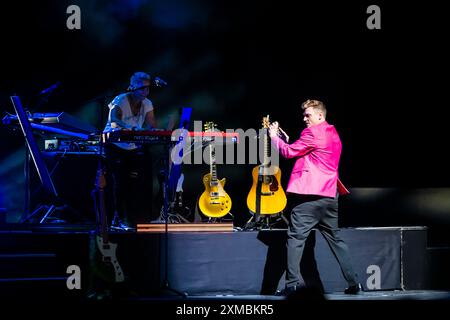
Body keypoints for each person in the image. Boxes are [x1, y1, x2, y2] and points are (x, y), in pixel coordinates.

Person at [269, 99, 363, 295]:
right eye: (303, 115)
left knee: (295, 238)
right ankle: (355, 283)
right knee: (336, 240)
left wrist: (274, 138)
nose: (304, 118)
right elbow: (309, 153)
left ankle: (292, 284)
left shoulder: (311, 133)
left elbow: (288, 153)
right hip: (330, 196)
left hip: (309, 197)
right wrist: (287, 140)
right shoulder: (334, 133)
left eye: (308, 115)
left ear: (320, 115)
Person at [103, 71, 161, 230]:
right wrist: (131, 128)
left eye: (148, 88)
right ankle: (116, 219)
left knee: (137, 182)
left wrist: (151, 132)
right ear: (133, 87)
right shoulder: (121, 100)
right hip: (115, 144)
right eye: (142, 88)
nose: (145, 92)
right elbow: (114, 119)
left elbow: (151, 125)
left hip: (133, 145)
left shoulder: (147, 103)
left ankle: (136, 219)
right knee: (118, 183)